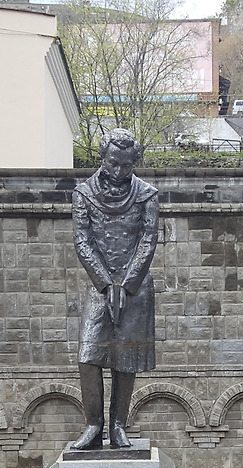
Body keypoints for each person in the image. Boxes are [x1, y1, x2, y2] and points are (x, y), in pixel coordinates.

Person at [70, 129, 159, 450]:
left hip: (135, 288)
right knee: (88, 356)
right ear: (102, 158)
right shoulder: (83, 194)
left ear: (134, 162)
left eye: (126, 165)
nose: (119, 171)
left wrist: (127, 283)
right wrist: (107, 284)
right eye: (113, 163)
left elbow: (148, 239)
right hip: (101, 285)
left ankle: (118, 426)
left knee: (126, 359)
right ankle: (93, 425)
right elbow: (82, 241)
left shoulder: (147, 195)